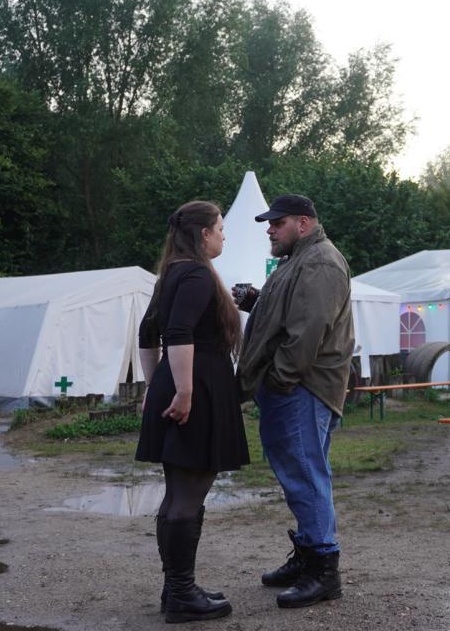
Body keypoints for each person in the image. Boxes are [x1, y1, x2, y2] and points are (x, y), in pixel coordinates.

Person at [233, 194, 355, 609]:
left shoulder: (319, 261)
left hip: (303, 387)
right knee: (303, 472)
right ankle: (308, 555)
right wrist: (256, 301)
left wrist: (279, 380)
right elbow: (291, 313)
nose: (269, 230)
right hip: (298, 386)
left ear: (303, 223)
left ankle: (323, 569)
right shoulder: (298, 259)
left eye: (277, 222)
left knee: (304, 474)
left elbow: (308, 331)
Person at [135, 200, 250, 623]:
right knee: (188, 493)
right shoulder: (197, 274)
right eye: (220, 228)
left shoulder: (171, 272)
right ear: (204, 234)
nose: (223, 236)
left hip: (182, 380)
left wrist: (157, 384)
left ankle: (176, 588)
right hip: (197, 387)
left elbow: (147, 332)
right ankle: (181, 593)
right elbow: (178, 331)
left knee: (178, 493)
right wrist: (182, 391)